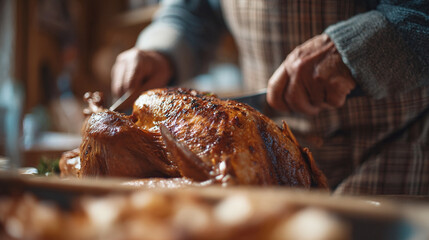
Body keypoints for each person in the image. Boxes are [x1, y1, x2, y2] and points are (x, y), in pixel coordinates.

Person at [111, 0, 429, 195]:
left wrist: (358, 49)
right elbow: (195, 9)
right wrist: (160, 51)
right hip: (264, 158)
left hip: (395, 144)